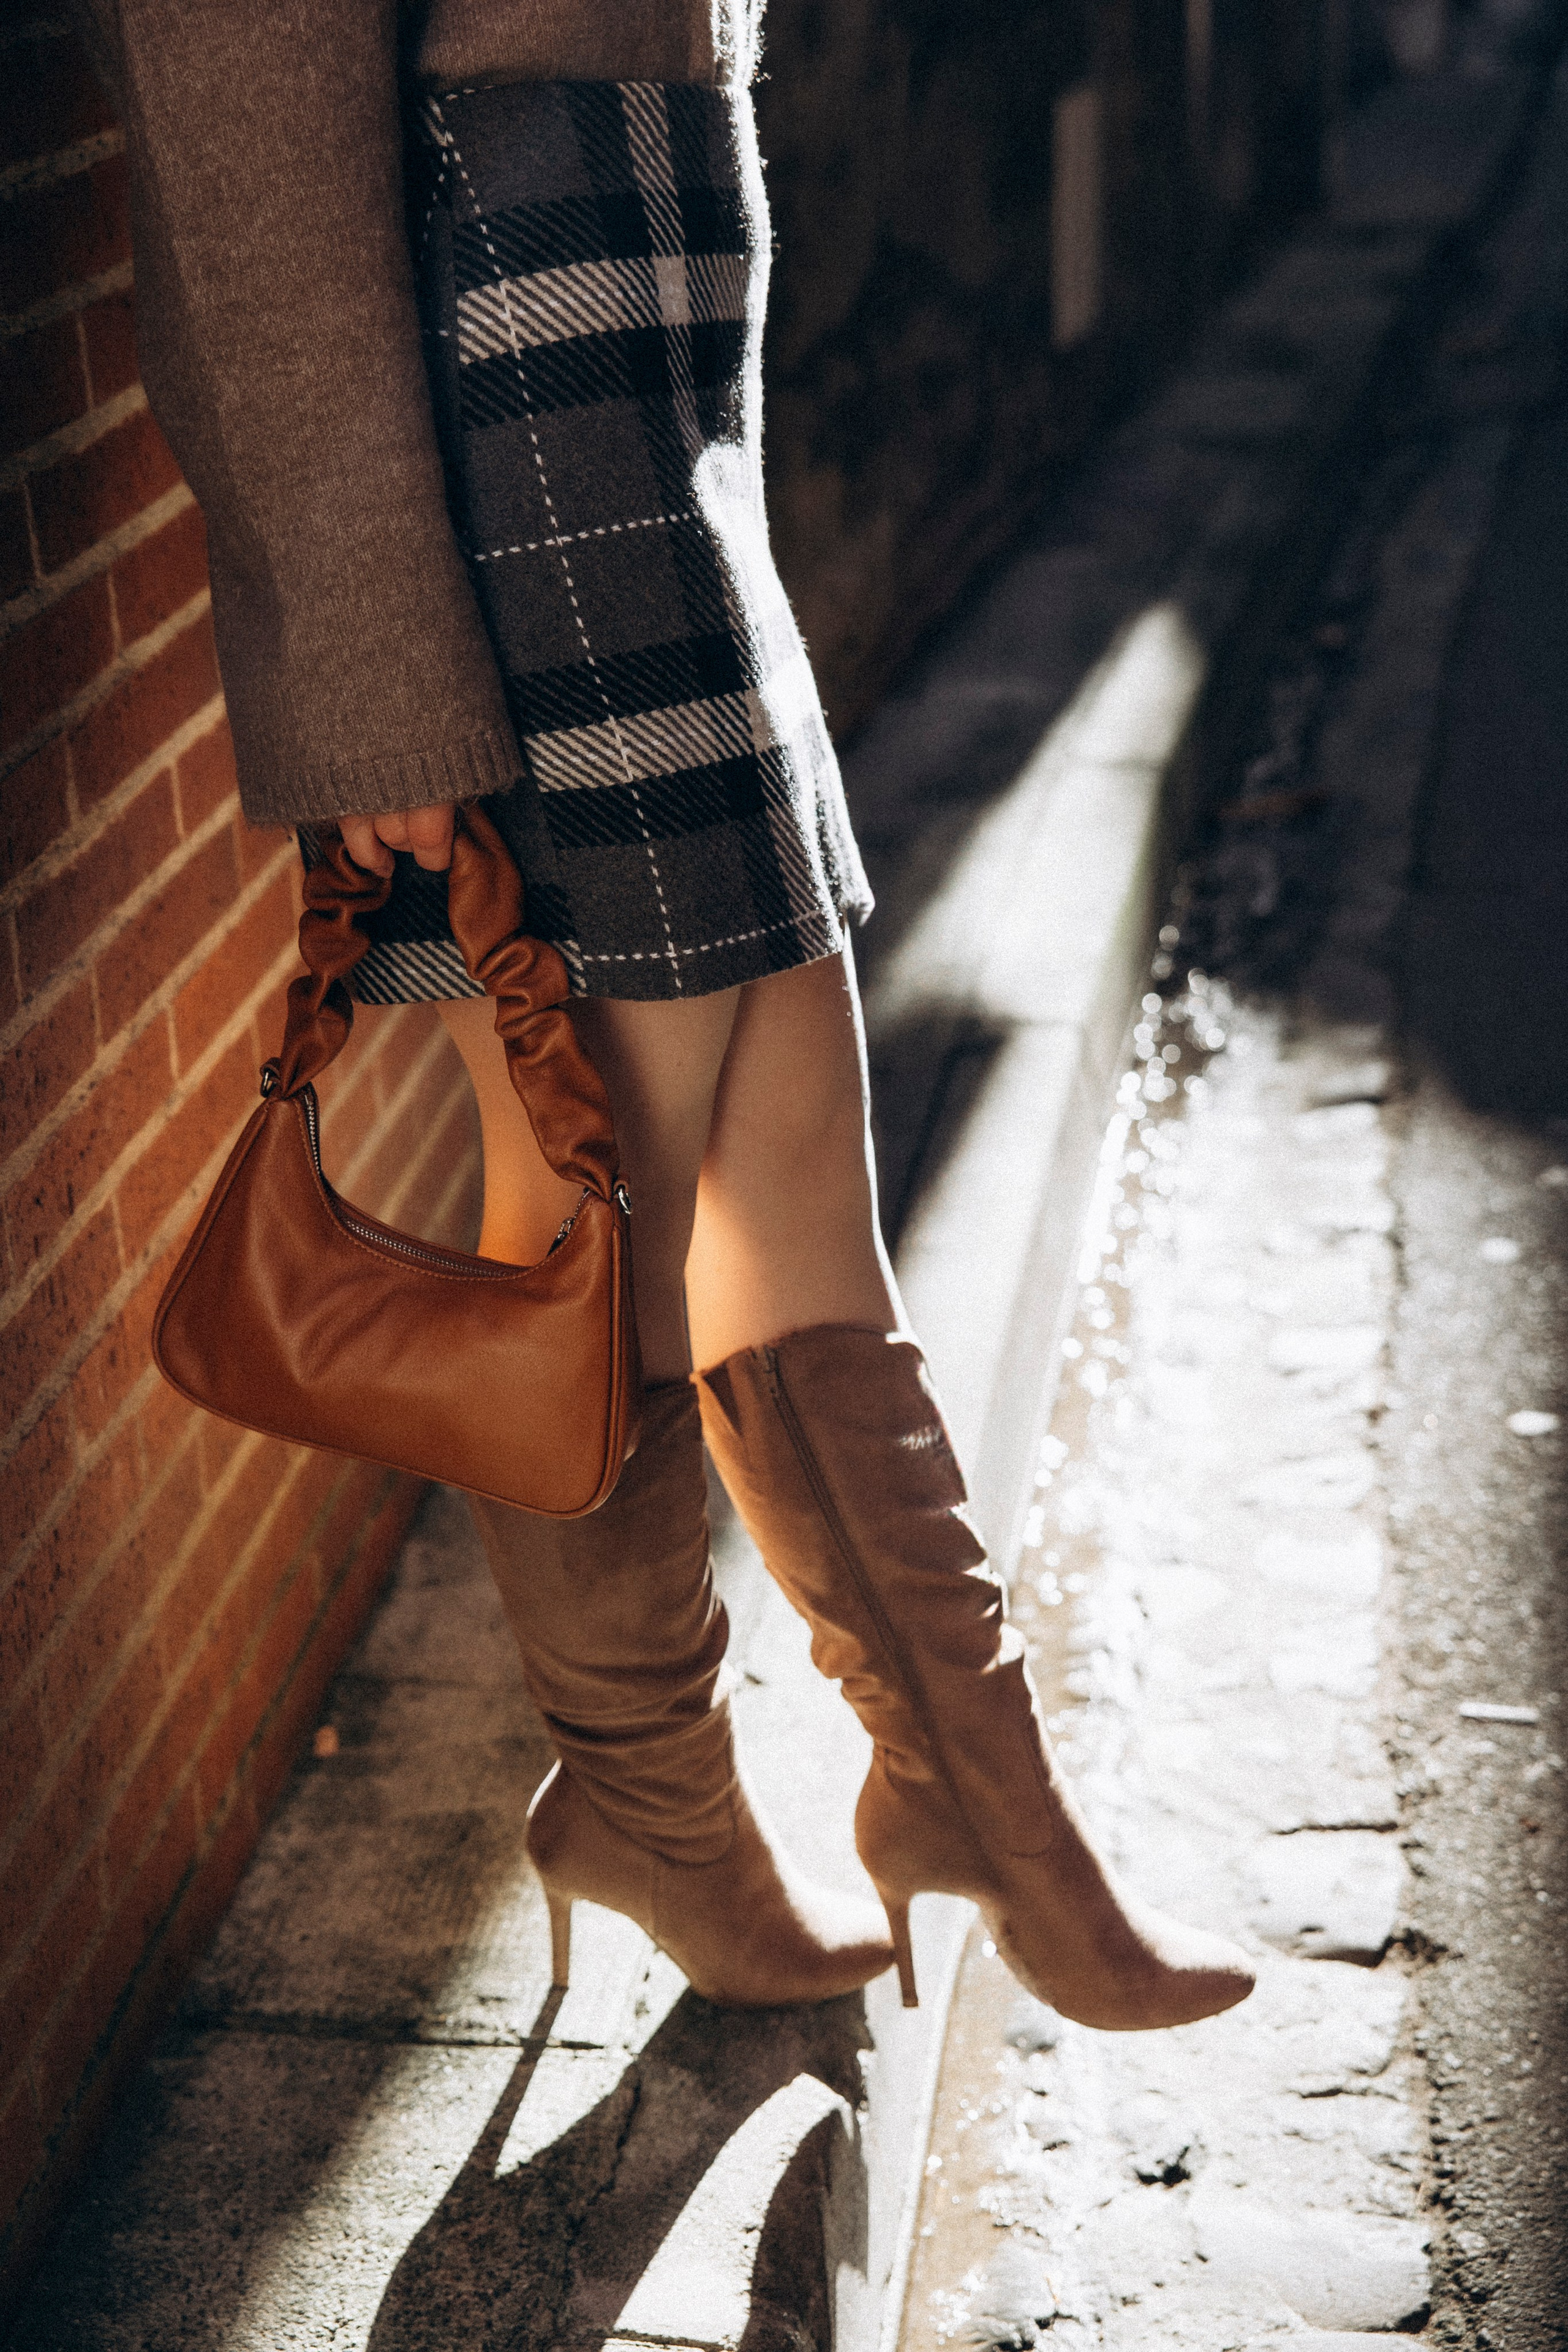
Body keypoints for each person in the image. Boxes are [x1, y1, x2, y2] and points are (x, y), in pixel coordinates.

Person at [83, 0, 1253, 2027]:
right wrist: (371, 666)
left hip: (651, 379)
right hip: (506, 443)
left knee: (800, 1157)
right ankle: (654, 1814)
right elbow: (236, 128)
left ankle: (972, 1798)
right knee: (607, 1210)